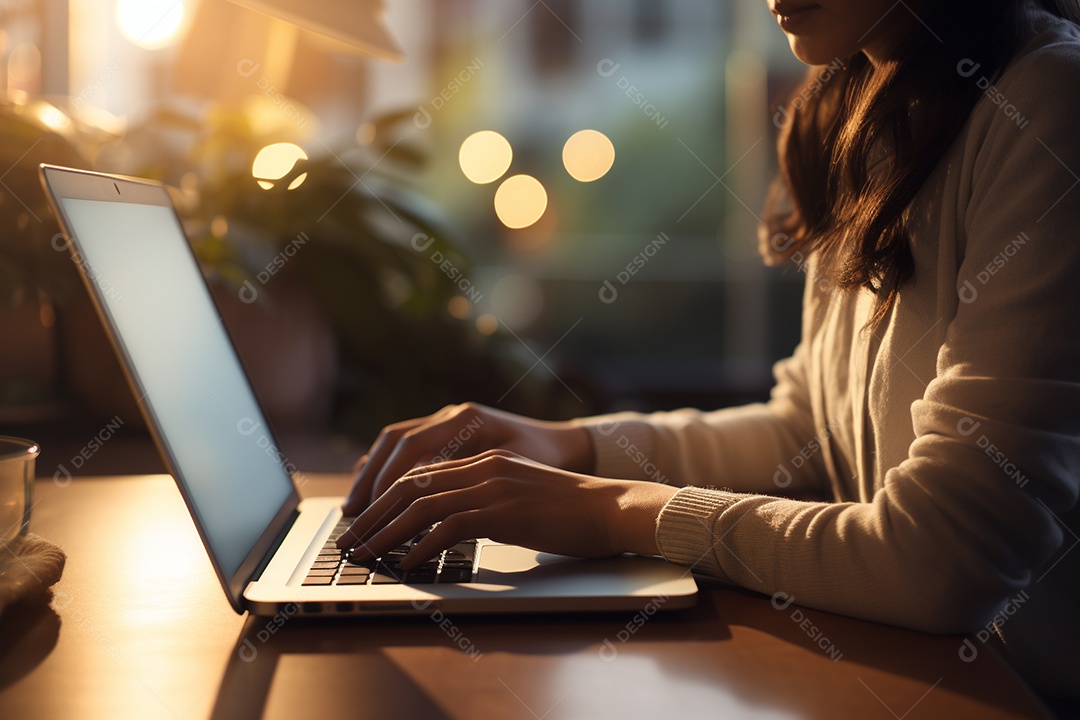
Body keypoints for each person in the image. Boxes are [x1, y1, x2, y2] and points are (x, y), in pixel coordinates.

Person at [338, 0, 1080, 701]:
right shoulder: (858, 101)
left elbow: (947, 558)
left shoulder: (1049, 104)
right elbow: (809, 436)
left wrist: (611, 512)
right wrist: (570, 449)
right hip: (926, 677)